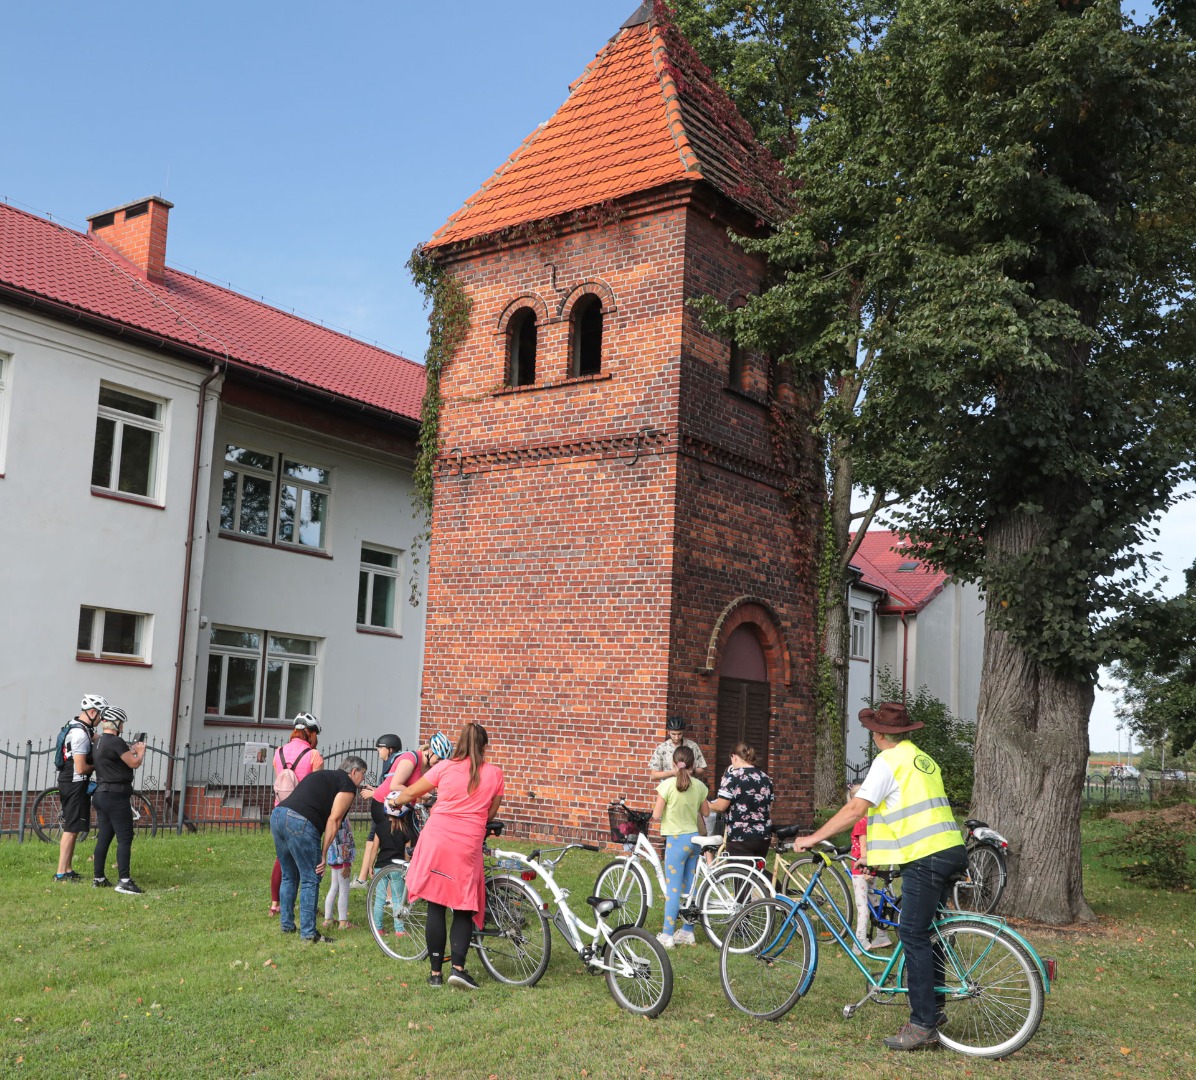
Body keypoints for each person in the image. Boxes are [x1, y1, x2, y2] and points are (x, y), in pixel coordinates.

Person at [792, 702, 966, 1052]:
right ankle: (935, 1010)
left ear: (880, 734)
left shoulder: (888, 761)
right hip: (950, 848)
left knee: (912, 933)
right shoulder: (922, 759)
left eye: (873, 729)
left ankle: (922, 1024)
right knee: (930, 933)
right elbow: (905, 812)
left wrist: (812, 838)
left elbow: (857, 808)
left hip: (925, 856)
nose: (872, 735)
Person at [389, 723, 503, 990]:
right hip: (467, 844)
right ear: (484, 746)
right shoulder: (495, 774)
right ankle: (459, 969)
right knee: (464, 905)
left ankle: (435, 974)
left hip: (437, 839)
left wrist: (395, 802)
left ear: (459, 744)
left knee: (436, 904)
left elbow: (411, 791)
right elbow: (490, 815)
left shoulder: (445, 767)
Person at [271, 755, 368, 943]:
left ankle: (287, 925)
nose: (362, 779)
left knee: (289, 875)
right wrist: (323, 854)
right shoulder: (347, 784)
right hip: (300, 821)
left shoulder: (324, 775)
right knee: (311, 877)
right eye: (362, 774)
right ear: (354, 771)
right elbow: (335, 819)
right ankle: (308, 933)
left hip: (278, 816)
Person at [651, 744, 710, 948]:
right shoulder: (700, 786)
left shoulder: (666, 785)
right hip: (694, 840)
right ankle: (687, 931)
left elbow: (657, 815)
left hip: (676, 841)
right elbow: (706, 812)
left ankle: (667, 934)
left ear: (673, 764)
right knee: (690, 887)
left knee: (673, 889)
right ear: (693, 765)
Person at [269, 714, 325, 916]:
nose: (316, 738)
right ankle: (308, 908)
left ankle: (276, 904)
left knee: (282, 860)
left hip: (279, 809)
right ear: (309, 732)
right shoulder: (313, 755)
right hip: (303, 813)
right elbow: (317, 788)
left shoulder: (278, 752)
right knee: (308, 865)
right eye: (315, 733)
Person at [90, 706, 147, 894]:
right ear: (115, 723)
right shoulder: (116, 741)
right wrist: (140, 750)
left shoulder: (99, 742)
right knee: (125, 837)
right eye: (121, 723)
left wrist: (130, 750)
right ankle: (124, 881)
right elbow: (134, 762)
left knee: (104, 836)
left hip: (100, 794)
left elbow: (113, 759)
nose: (122, 726)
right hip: (115, 795)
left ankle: (98, 878)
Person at [55, 692, 106, 882]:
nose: (101, 720)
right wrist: (100, 766)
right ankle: (61, 873)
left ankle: (68, 869)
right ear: (92, 712)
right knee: (70, 828)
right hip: (73, 782)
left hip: (77, 782)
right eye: (100, 716)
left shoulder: (84, 728)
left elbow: (102, 739)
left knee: (75, 827)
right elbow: (81, 767)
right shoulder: (79, 734)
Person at [349, 733, 405, 889]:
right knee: (370, 842)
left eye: (380, 748)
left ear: (390, 748)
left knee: (385, 849)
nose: (378, 751)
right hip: (381, 808)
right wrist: (376, 789)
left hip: (385, 810)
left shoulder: (394, 763)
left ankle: (384, 890)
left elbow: (393, 790)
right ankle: (362, 878)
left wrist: (374, 793)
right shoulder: (390, 763)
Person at [707, 743, 774, 857]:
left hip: (740, 836)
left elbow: (720, 806)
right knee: (755, 873)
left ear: (734, 757)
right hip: (763, 835)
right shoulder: (765, 777)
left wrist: (704, 804)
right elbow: (769, 807)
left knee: (739, 872)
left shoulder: (732, 777)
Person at [847, 783, 891, 952]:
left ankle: (860, 940)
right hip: (872, 866)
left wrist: (866, 870)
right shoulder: (873, 821)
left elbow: (864, 849)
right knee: (874, 902)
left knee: (862, 905)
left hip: (861, 869)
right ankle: (881, 936)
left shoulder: (861, 823)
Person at [322, 814, 356, 930]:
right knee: (344, 889)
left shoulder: (331, 817)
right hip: (342, 860)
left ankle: (328, 919)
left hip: (334, 859)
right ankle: (343, 922)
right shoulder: (341, 819)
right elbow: (343, 841)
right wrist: (346, 863)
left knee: (334, 887)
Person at [648, 715, 707, 782]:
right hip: (669, 789)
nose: (677, 737)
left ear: (683, 731)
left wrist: (691, 771)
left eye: (679, 734)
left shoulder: (692, 746)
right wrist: (672, 773)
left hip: (689, 788)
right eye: (673, 734)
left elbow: (702, 770)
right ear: (668, 731)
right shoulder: (661, 748)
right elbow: (653, 775)